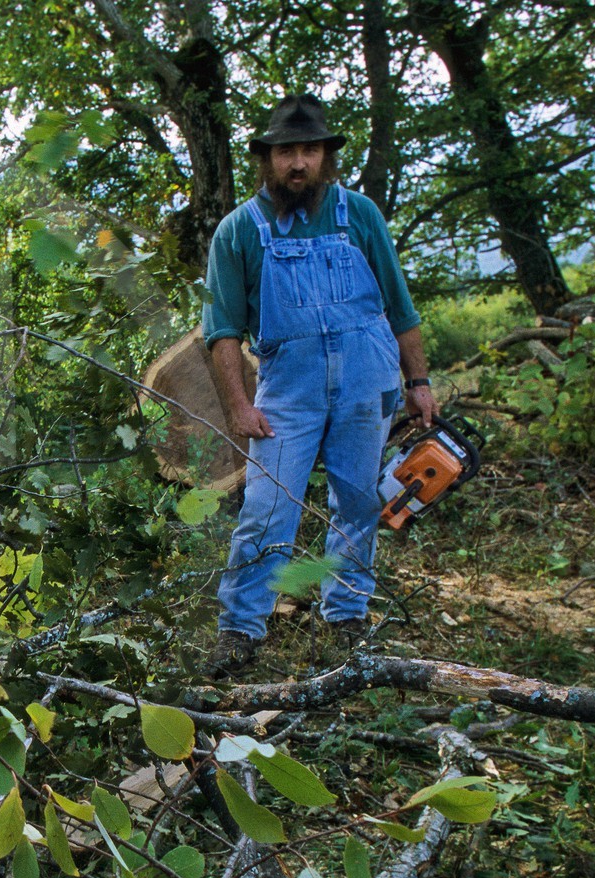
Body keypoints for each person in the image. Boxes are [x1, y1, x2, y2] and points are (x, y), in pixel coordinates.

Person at [202, 93, 439, 677]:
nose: (299, 164)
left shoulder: (358, 214)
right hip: (289, 391)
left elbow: (400, 307)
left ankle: (346, 614)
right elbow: (222, 332)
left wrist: (420, 381)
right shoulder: (239, 231)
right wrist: (238, 404)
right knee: (265, 508)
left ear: (326, 156)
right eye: (287, 152)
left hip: (367, 380)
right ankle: (239, 628)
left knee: (357, 500)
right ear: (268, 159)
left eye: (309, 150)